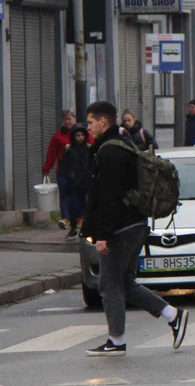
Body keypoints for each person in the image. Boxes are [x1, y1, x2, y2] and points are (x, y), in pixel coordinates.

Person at [81, 101, 189, 356]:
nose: (88, 127)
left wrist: (102, 235)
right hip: (134, 224)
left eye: (90, 122)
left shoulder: (110, 153)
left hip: (121, 229)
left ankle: (116, 341)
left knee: (108, 285)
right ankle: (173, 315)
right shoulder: (122, 144)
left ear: (103, 122)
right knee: (126, 283)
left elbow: (109, 197)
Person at [57, 124, 91, 239]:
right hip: (73, 183)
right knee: (73, 207)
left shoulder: (88, 149)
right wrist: (68, 178)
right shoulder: (69, 150)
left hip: (85, 183)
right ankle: (73, 227)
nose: (80, 138)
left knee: (86, 206)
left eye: (82, 135)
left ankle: (85, 227)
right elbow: (64, 165)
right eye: (78, 135)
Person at [43, 110, 88, 179]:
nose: (67, 122)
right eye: (65, 119)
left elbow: (92, 146)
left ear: (74, 118)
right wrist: (46, 169)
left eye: (69, 119)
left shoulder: (84, 132)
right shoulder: (57, 136)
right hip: (64, 172)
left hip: (81, 171)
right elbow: (51, 154)